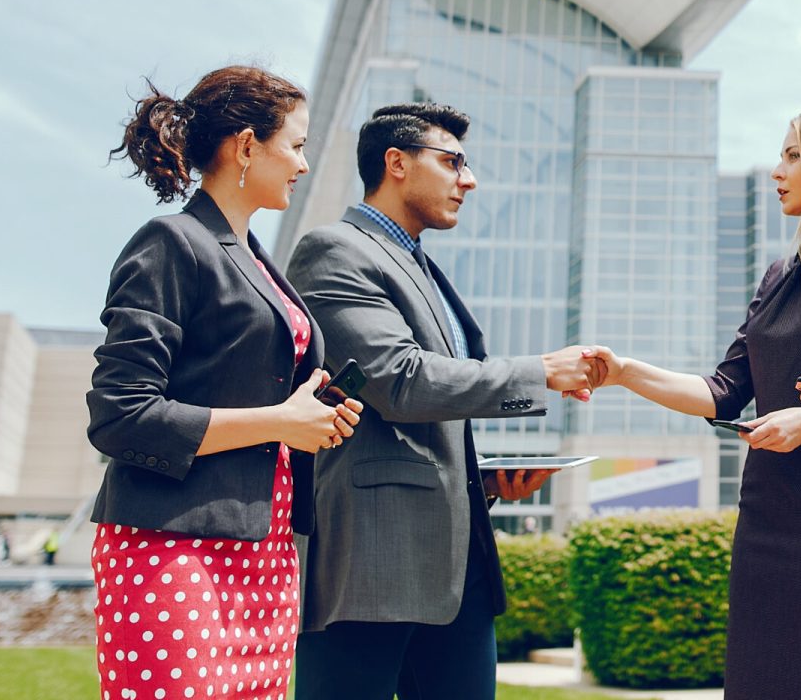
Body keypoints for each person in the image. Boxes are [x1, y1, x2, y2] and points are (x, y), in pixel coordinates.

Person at [285, 102, 608, 700]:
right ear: (397, 162)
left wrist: (482, 480)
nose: (470, 179)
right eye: (453, 161)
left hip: (459, 567)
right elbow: (399, 381)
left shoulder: (424, 268)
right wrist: (539, 372)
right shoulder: (335, 250)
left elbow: (433, 411)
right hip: (373, 560)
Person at [589, 110, 801, 700]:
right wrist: (625, 372)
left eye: (793, 157)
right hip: (766, 522)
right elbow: (722, 392)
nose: (776, 171)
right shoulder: (778, 276)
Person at [88, 65, 363, 700]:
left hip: (266, 551)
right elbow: (120, 415)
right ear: (245, 146)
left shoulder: (260, 262)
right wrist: (280, 421)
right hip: (171, 546)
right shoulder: (171, 242)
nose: (303, 164)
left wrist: (312, 418)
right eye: (295, 144)